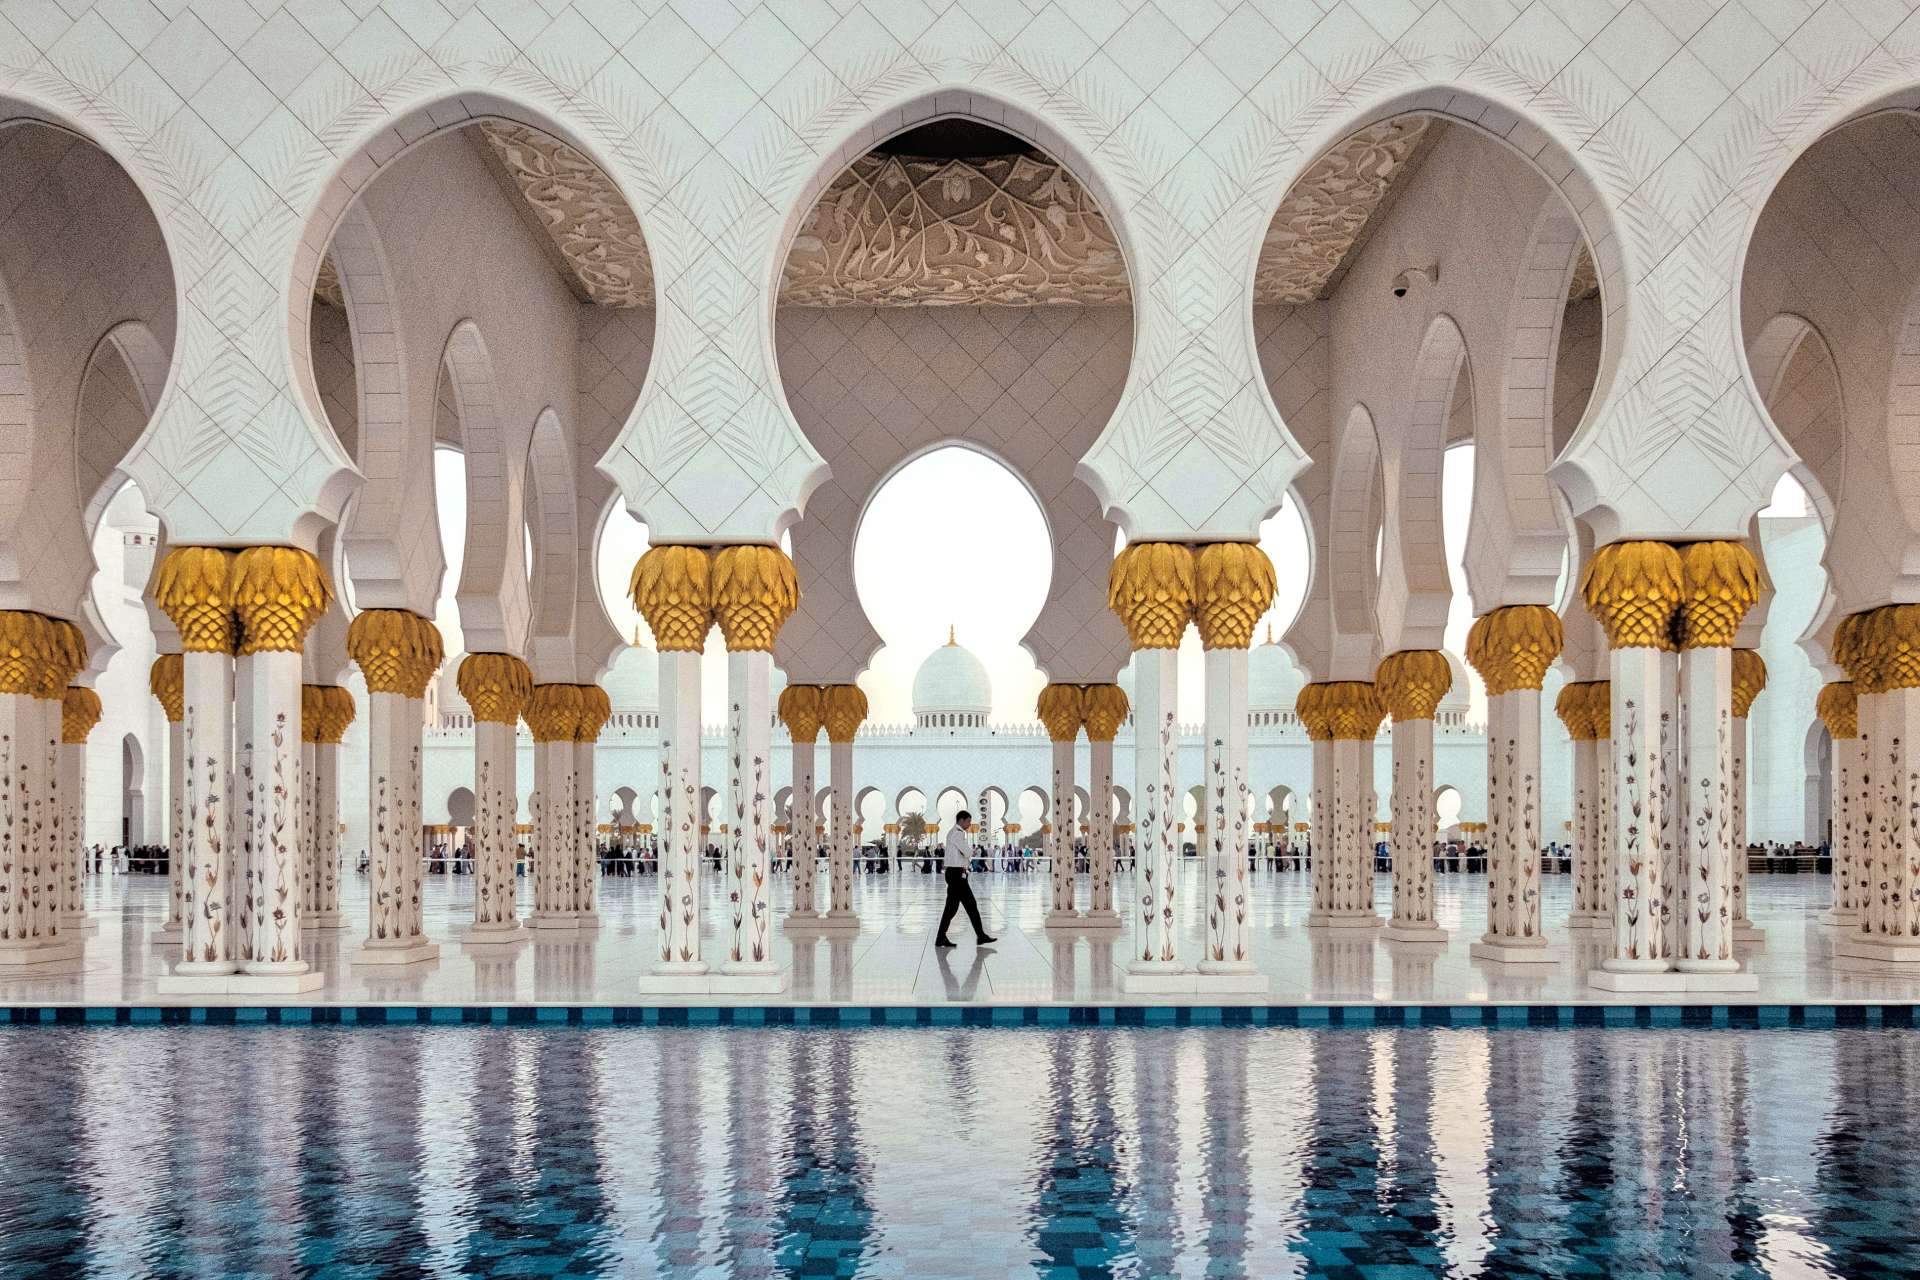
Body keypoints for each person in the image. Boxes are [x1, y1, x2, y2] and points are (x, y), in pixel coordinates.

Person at [936, 810, 995, 948]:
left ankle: (941, 938)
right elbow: (967, 852)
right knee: (969, 905)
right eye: (968, 821)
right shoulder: (958, 833)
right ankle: (980, 936)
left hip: (955, 874)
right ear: (961, 820)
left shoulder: (952, 832)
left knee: (953, 908)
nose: (969, 824)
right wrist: (972, 852)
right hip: (956, 875)